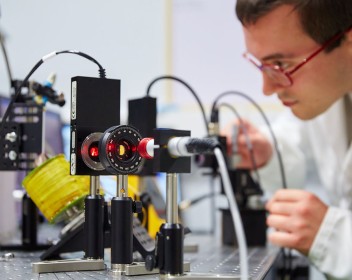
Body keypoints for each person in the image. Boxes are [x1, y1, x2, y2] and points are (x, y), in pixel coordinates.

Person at [232, 1, 352, 279]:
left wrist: (332, 237)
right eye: (260, 64)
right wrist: (266, 152)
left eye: (281, 64)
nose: (267, 88)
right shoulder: (328, 93)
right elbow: (298, 143)